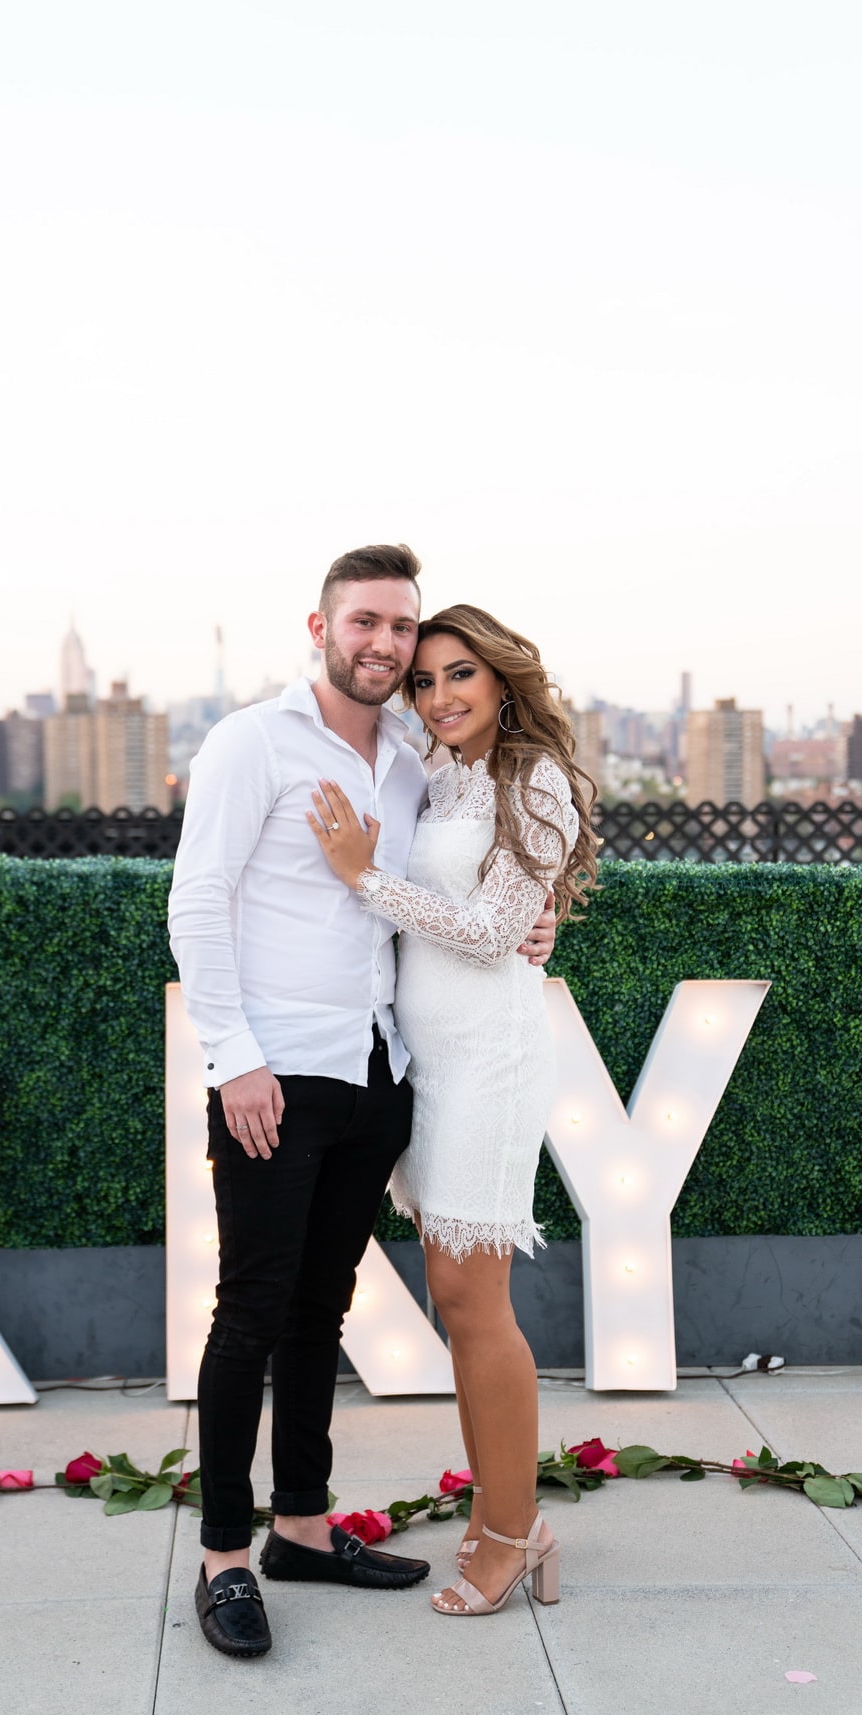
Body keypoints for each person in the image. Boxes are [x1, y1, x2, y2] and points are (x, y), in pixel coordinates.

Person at [168, 547, 557, 1658]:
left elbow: (491, 867)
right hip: (274, 1073)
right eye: (368, 623)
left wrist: (538, 921)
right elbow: (197, 900)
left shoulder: (409, 755)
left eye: (406, 629)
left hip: (382, 1072)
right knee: (249, 1311)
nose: (389, 647)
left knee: (317, 1314)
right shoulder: (252, 741)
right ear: (321, 625)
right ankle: (227, 1558)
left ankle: (301, 1523)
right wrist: (233, 1056)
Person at [306, 603, 599, 1618]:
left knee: (478, 1305)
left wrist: (363, 876)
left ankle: (513, 1532)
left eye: (461, 673)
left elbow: (485, 932)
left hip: (491, 1062)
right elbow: (483, 912)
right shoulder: (437, 773)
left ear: (505, 677)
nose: (440, 695)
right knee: (453, 1294)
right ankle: (503, 1513)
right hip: (425, 1062)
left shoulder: (537, 776)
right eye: (427, 680)